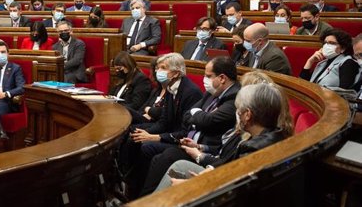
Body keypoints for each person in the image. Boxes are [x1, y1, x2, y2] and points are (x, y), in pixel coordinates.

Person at [153, 84, 286, 193]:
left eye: (239, 109)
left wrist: (191, 186)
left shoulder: (252, 149)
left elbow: (235, 190)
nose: (237, 114)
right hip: (222, 178)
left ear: (247, 115)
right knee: (180, 165)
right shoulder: (276, 135)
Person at [139, 56, 241, 196]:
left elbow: (208, 121)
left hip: (207, 151)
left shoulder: (233, 97)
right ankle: (139, 194)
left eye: (208, 76)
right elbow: (187, 115)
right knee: (149, 149)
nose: (204, 80)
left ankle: (144, 200)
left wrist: (200, 145)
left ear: (222, 78)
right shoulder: (212, 92)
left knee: (164, 155)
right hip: (192, 143)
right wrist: (199, 117)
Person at [120, 53, 202, 197]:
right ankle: (128, 183)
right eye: (158, 68)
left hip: (181, 140)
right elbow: (164, 121)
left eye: (163, 68)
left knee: (146, 146)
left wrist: (155, 138)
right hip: (169, 132)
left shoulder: (191, 92)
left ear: (176, 73)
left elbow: (185, 131)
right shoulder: (171, 87)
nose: (158, 71)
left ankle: (141, 192)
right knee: (136, 135)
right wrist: (148, 134)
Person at [53, 19, 87, 83]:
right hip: (61, 72)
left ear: (71, 31)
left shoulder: (79, 43)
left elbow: (77, 60)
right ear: (58, 33)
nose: (63, 33)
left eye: (66, 30)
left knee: (66, 77)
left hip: (75, 72)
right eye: (61, 31)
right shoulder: (55, 47)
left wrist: (61, 66)